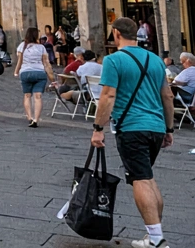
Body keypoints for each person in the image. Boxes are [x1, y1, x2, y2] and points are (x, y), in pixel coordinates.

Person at [89, 17, 175, 248]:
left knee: (141, 179)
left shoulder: (114, 60)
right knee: (147, 178)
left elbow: (107, 95)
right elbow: (167, 96)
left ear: (116, 33)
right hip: (156, 127)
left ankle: (156, 239)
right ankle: (154, 233)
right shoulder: (156, 60)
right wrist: (168, 129)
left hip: (131, 127)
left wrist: (98, 128)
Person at [14, 26, 54, 128]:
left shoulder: (22, 46)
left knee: (27, 95)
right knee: (38, 96)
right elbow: (46, 63)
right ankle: (36, 119)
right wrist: (51, 77)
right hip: (39, 72)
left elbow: (20, 60)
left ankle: (29, 117)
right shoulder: (41, 47)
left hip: (25, 72)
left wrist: (16, 71)